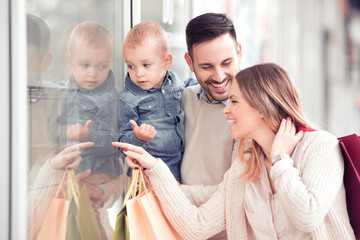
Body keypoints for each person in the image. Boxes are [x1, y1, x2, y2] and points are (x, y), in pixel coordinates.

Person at [114, 63, 355, 239]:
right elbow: (197, 227)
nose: (226, 110)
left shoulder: (320, 146)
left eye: (235, 101)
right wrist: (154, 167)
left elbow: (307, 216)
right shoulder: (247, 162)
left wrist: (281, 161)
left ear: (261, 106)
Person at [57, 21, 124, 239]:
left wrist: (88, 136)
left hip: (98, 173)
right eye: (85, 65)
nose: (93, 74)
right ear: (69, 61)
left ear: (111, 62)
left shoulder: (112, 97)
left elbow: (114, 140)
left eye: (101, 66)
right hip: (68, 173)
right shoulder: (62, 92)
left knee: (91, 218)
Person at [118, 21, 194, 181]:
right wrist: (138, 137)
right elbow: (122, 141)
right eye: (131, 66)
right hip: (147, 175)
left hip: (179, 168)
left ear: (166, 62)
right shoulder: (128, 98)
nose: (138, 73)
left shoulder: (175, 82)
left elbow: (191, 86)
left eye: (146, 65)